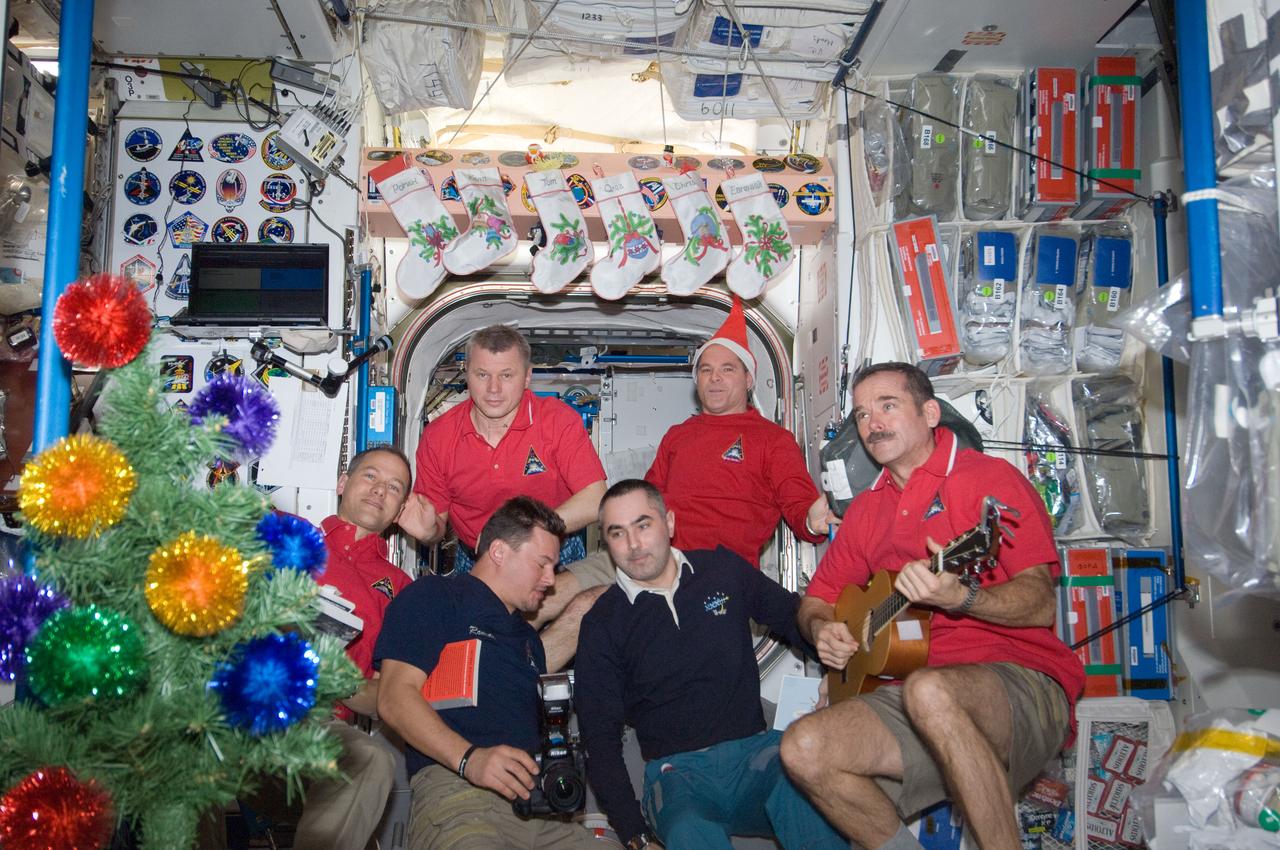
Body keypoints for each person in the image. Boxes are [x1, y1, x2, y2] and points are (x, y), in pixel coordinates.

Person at [779, 363, 1085, 850]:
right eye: (862, 414)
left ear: (930, 413)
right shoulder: (865, 509)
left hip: (1020, 681)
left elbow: (1040, 603)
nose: (873, 423)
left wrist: (964, 597)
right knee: (803, 747)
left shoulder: (989, 480)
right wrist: (821, 629)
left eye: (888, 406)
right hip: (910, 689)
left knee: (930, 690)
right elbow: (817, 599)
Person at [574, 479, 845, 850]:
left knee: (807, 791)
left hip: (756, 754)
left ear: (669, 523)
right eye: (617, 533)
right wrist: (636, 835)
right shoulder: (603, 623)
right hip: (677, 775)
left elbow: (792, 616)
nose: (633, 544)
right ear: (606, 543)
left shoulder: (721, 571)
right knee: (688, 828)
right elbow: (599, 739)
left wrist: (838, 671)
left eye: (643, 525)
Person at [538, 299, 838, 628]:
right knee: (544, 593)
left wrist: (812, 521)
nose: (715, 378)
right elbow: (644, 501)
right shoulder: (678, 435)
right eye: (706, 370)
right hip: (642, 552)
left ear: (749, 379)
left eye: (727, 369)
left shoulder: (773, 440)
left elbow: (799, 506)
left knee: (587, 608)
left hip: (709, 576)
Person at [375, 496, 615, 850]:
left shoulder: (527, 640)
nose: (550, 579)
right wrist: (470, 759)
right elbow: (394, 698)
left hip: (536, 810)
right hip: (459, 795)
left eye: (554, 567)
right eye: (542, 564)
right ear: (499, 552)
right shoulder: (436, 596)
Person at [397, 324, 608, 670]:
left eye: (506, 375)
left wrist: (523, 536)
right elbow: (436, 525)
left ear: (527, 377)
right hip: (478, 561)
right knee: (477, 666)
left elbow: (595, 497)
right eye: (482, 375)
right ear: (466, 374)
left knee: (559, 658)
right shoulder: (440, 436)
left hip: (555, 556)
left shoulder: (557, 421)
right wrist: (426, 530)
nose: (493, 389)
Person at [296, 446, 415, 849]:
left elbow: (387, 694)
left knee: (372, 759)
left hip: (319, 726)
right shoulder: (289, 533)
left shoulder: (402, 589)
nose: (380, 490)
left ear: (399, 512)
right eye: (371, 476)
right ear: (342, 483)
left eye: (394, 487)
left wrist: (333, 677)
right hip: (242, 698)